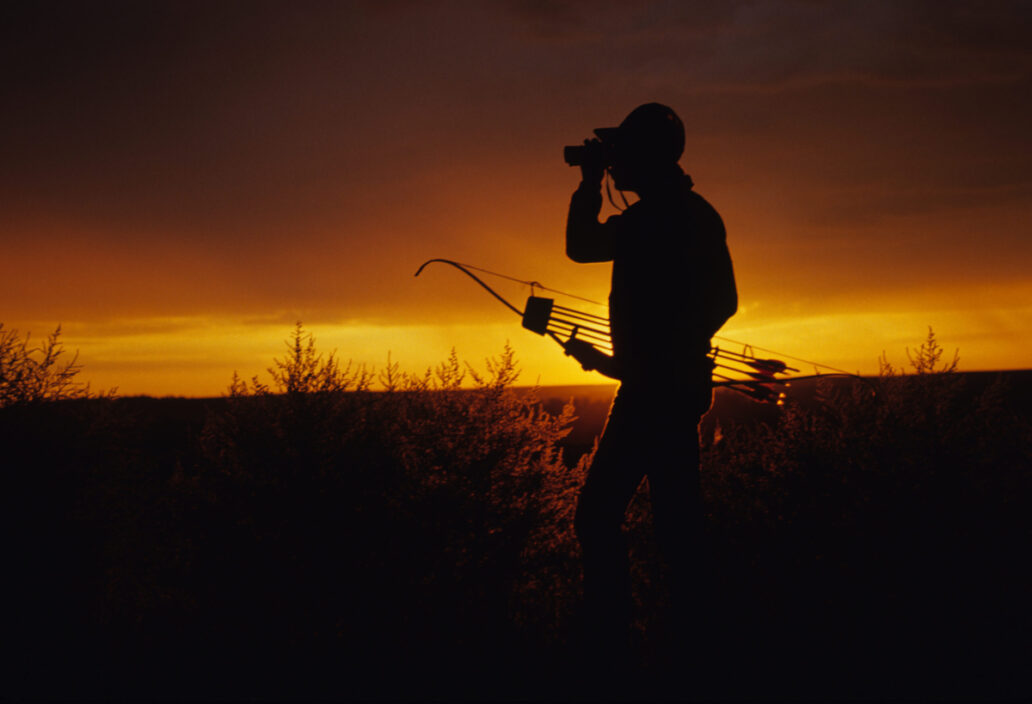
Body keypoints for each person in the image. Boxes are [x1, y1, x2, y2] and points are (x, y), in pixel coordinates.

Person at [562, 103, 737, 672]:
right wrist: (658, 358)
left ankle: (619, 645)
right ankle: (691, 640)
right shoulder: (695, 214)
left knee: (605, 518)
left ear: (647, 157)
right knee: (676, 522)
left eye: (621, 155)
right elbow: (723, 301)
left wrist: (588, 185)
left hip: (652, 395)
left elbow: (581, 245)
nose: (615, 166)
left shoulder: (651, 220)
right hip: (665, 389)